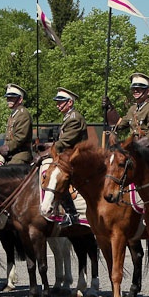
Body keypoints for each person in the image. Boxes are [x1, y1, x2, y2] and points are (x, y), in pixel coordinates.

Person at [52, 87, 87, 227]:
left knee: (61, 177)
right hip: (67, 156)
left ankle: (71, 213)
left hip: (76, 158)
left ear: (70, 103)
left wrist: (51, 148)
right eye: (58, 102)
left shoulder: (74, 118)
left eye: (61, 102)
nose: (58, 105)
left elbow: (65, 142)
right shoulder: (67, 117)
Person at [111, 73, 149, 157]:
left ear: (148, 91)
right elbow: (119, 125)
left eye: (139, 89)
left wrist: (132, 146)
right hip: (137, 153)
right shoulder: (133, 108)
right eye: (133, 89)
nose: (135, 91)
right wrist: (109, 109)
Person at [0, 84, 33, 167]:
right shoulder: (13, 114)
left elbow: (19, 138)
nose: (8, 100)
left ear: (20, 99)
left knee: (4, 174)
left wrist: (4, 148)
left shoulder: (23, 114)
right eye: (8, 98)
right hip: (11, 154)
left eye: (12, 98)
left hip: (20, 155)